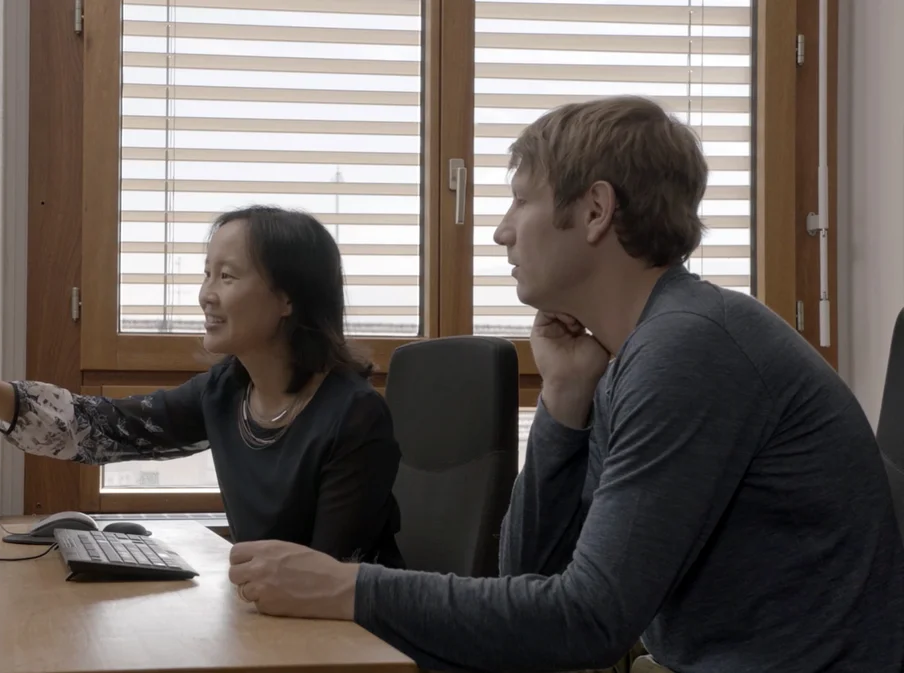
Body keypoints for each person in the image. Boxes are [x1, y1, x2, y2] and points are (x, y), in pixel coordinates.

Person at [225, 96, 904, 673]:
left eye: (521, 199)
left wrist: (348, 585)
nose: (498, 230)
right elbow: (529, 575)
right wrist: (563, 402)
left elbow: (587, 620)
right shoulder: (635, 349)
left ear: (595, 210)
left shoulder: (689, 349)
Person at [0, 205, 405, 569]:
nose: (205, 295)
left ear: (288, 297)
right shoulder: (226, 392)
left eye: (227, 276)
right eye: (206, 274)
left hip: (352, 645)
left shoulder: (353, 416)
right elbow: (99, 428)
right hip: (266, 617)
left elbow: (328, 582)